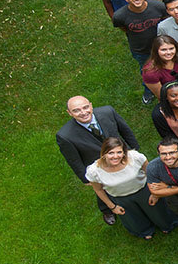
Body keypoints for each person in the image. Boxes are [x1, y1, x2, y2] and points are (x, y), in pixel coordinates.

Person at [57, 96, 140, 225]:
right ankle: (107, 209)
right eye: (76, 110)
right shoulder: (65, 135)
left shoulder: (108, 112)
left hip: (121, 153)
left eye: (85, 107)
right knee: (102, 188)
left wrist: (134, 149)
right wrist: (85, 179)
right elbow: (73, 159)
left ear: (91, 105)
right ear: (69, 113)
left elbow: (125, 130)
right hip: (100, 165)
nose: (83, 112)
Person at [87, 138, 178, 239]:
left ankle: (167, 224)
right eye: (111, 153)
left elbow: (150, 173)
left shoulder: (135, 157)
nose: (115, 156)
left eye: (119, 152)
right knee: (134, 218)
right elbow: (98, 190)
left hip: (143, 190)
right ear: (104, 153)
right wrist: (112, 207)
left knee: (158, 211)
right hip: (120, 198)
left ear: (124, 152)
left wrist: (155, 193)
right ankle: (145, 231)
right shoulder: (94, 171)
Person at [112, 0, 168, 103]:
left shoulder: (159, 7)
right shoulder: (119, 16)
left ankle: (168, 86)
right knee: (147, 71)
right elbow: (124, 28)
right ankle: (149, 91)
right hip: (141, 50)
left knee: (167, 67)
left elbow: (166, 21)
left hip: (162, 46)